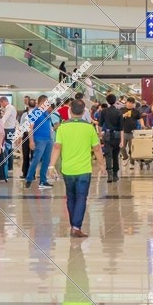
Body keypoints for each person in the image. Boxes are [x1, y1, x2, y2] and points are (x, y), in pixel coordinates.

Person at [50, 99, 104, 238]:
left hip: (67, 169)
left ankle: (74, 225)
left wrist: (51, 165)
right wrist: (102, 164)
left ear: (69, 111)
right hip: (84, 169)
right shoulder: (89, 127)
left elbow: (57, 147)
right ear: (84, 111)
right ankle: (76, 226)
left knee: (71, 197)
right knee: (81, 198)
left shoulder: (63, 127)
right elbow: (97, 148)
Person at [24, 96, 55, 190]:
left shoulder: (46, 113)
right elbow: (30, 127)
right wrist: (31, 141)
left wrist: (51, 135)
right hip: (39, 139)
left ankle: (43, 180)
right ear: (42, 102)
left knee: (46, 160)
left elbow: (48, 125)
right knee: (36, 159)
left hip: (48, 139)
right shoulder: (35, 112)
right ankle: (29, 178)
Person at [99, 93, 123, 182]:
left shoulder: (104, 111)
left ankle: (109, 173)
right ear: (115, 101)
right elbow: (121, 128)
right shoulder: (119, 112)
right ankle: (115, 174)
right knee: (115, 155)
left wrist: (100, 135)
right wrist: (122, 140)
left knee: (108, 154)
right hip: (117, 136)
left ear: (107, 101)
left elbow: (100, 124)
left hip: (107, 135)